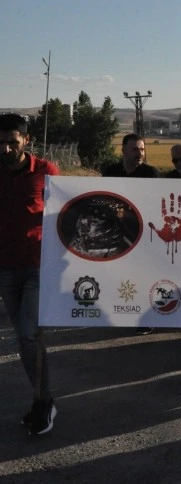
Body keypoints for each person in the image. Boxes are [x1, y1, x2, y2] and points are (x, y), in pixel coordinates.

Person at [0, 113, 60, 435]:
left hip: (37, 267)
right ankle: (41, 398)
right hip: (5, 269)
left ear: (27, 140)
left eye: (12, 142)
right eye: (1, 143)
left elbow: (64, 213)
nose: (6, 149)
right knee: (23, 340)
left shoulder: (47, 172)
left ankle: (44, 402)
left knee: (27, 335)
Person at [103, 133, 159, 335]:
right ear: (123, 151)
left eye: (142, 149)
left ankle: (146, 318)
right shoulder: (111, 172)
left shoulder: (151, 173)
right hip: (117, 234)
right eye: (135, 149)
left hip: (142, 234)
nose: (140, 153)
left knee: (143, 278)